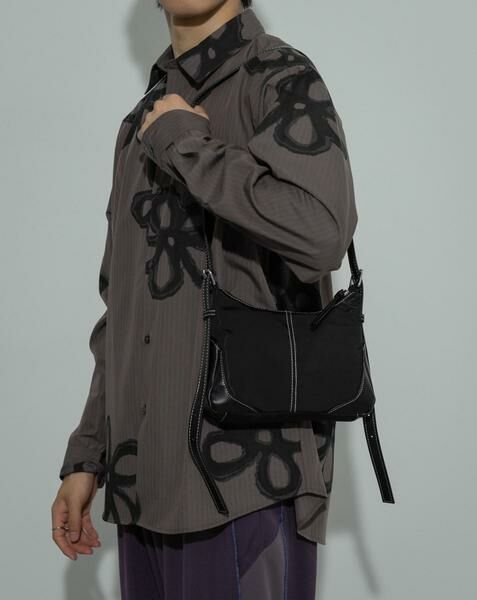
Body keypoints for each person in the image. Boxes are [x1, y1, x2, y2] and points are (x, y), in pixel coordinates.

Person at [51, 1, 358, 598]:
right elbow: (124, 306)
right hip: (143, 484)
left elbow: (323, 233)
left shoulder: (278, 77)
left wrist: (186, 143)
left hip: (247, 481)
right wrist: (88, 454)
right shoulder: (140, 122)